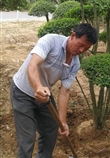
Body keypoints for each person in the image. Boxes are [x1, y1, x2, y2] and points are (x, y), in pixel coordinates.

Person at [10, 23, 98, 158]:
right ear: (73, 36)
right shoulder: (50, 41)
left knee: (51, 129)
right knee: (27, 137)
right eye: (81, 44)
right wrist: (38, 88)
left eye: (86, 48)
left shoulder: (75, 64)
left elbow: (64, 92)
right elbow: (33, 65)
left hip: (44, 95)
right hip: (22, 92)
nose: (82, 50)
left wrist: (62, 122)